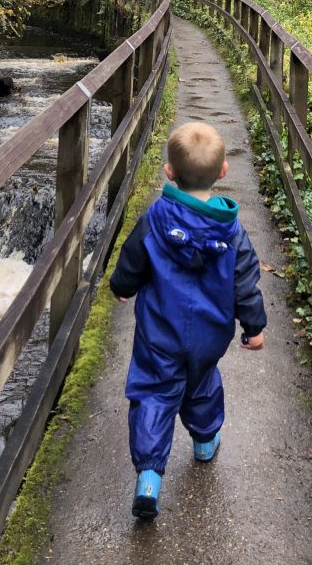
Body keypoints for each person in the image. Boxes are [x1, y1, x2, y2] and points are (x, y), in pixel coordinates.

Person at [109, 120, 266, 519]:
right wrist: (254, 327)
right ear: (224, 172)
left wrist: (122, 286)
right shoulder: (233, 232)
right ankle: (204, 442)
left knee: (154, 393)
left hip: (159, 333)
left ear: (169, 172)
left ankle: (148, 476)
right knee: (201, 384)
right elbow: (245, 281)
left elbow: (133, 258)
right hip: (210, 335)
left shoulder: (156, 218)